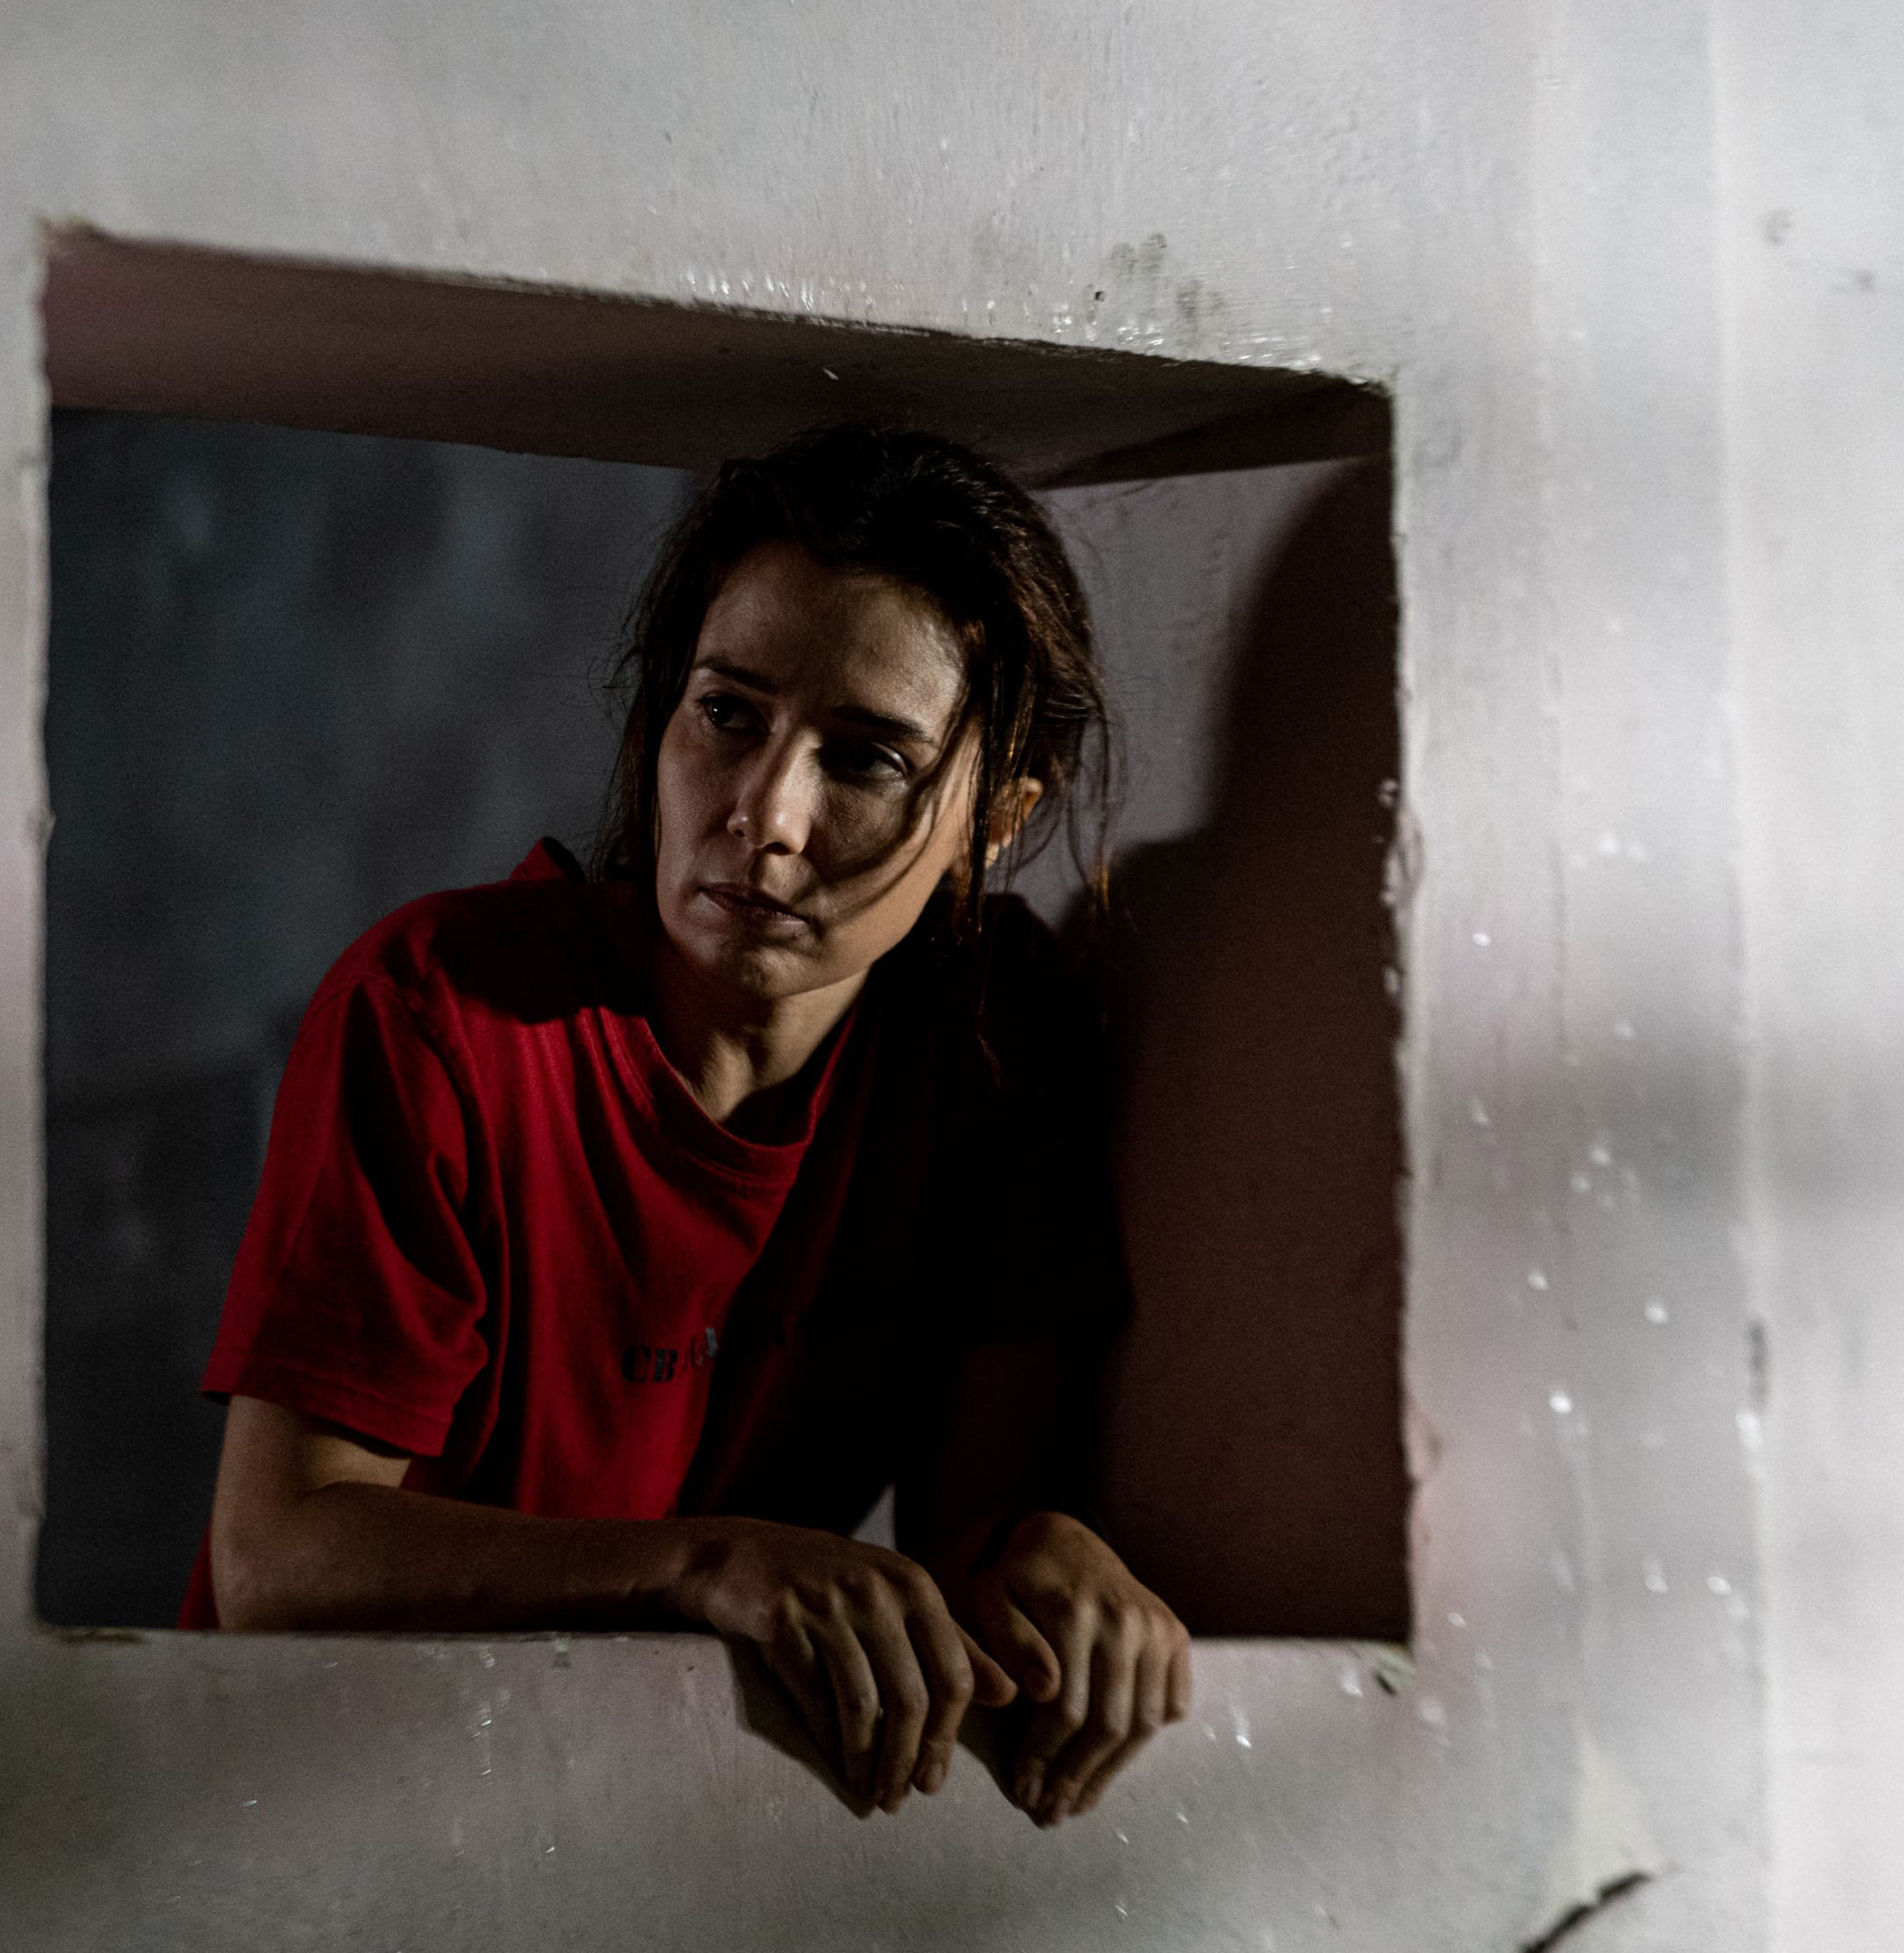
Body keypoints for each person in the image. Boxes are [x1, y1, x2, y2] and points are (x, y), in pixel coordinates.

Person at [184, 424, 1188, 1826]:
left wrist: (1053, 1568)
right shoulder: (443, 1016)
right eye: (728, 714)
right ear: (661, 715)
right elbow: (275, 1564)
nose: (765, 814)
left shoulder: (989, 1038)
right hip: (312, 1805)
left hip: (668, 1829)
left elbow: (968, 1547)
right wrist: (704, 1564)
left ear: (995, 817)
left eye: (866, 760)